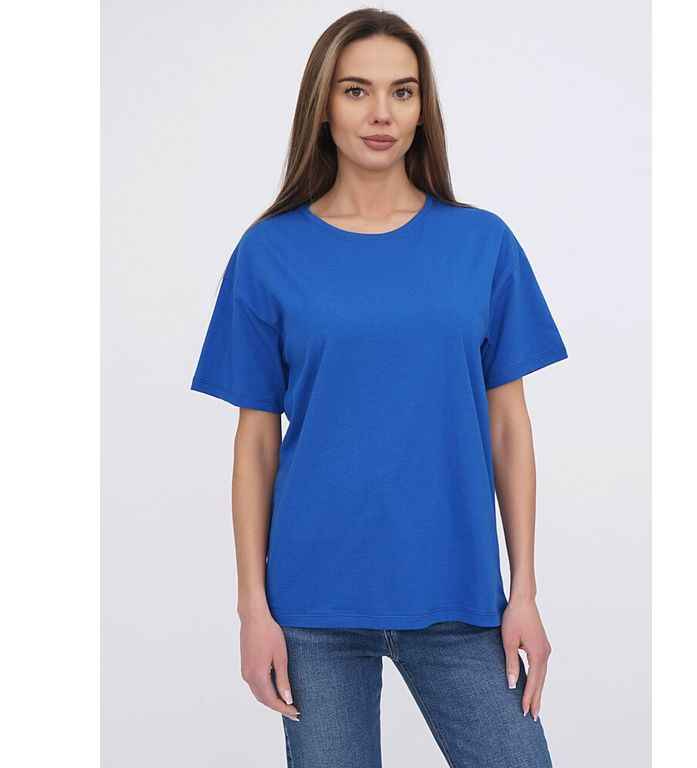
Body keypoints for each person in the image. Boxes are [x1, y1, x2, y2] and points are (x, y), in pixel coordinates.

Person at [190, 8, 567, 767]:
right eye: (356, 90)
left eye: (403, 91)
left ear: (424, 108)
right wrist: (252, 609)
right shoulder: (269, 252)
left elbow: (509, 429)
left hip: (459, 594)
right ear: (323, 105)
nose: (381, 114)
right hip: (313, 605)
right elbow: (256, 445)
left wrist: (523, 591)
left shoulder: (482, 244)